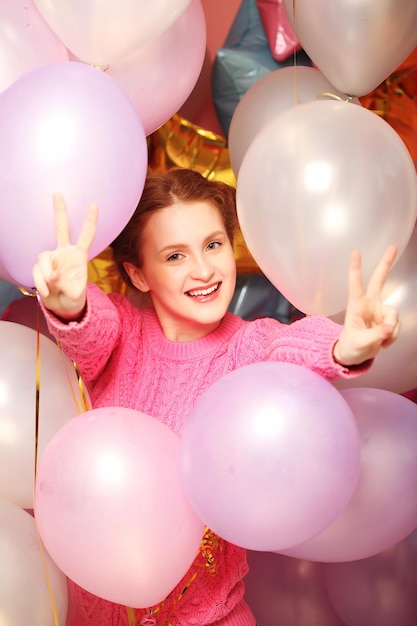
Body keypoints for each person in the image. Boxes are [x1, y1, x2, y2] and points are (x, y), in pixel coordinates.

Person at [33, 167, 400, 626]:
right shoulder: (121, 334)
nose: (204, 269)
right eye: (174, 256)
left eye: (213, 244)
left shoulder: (252, 347)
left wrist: (344, 346)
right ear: (138, 274)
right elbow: (88, 325)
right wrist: (69, 303)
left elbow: (292, 350)